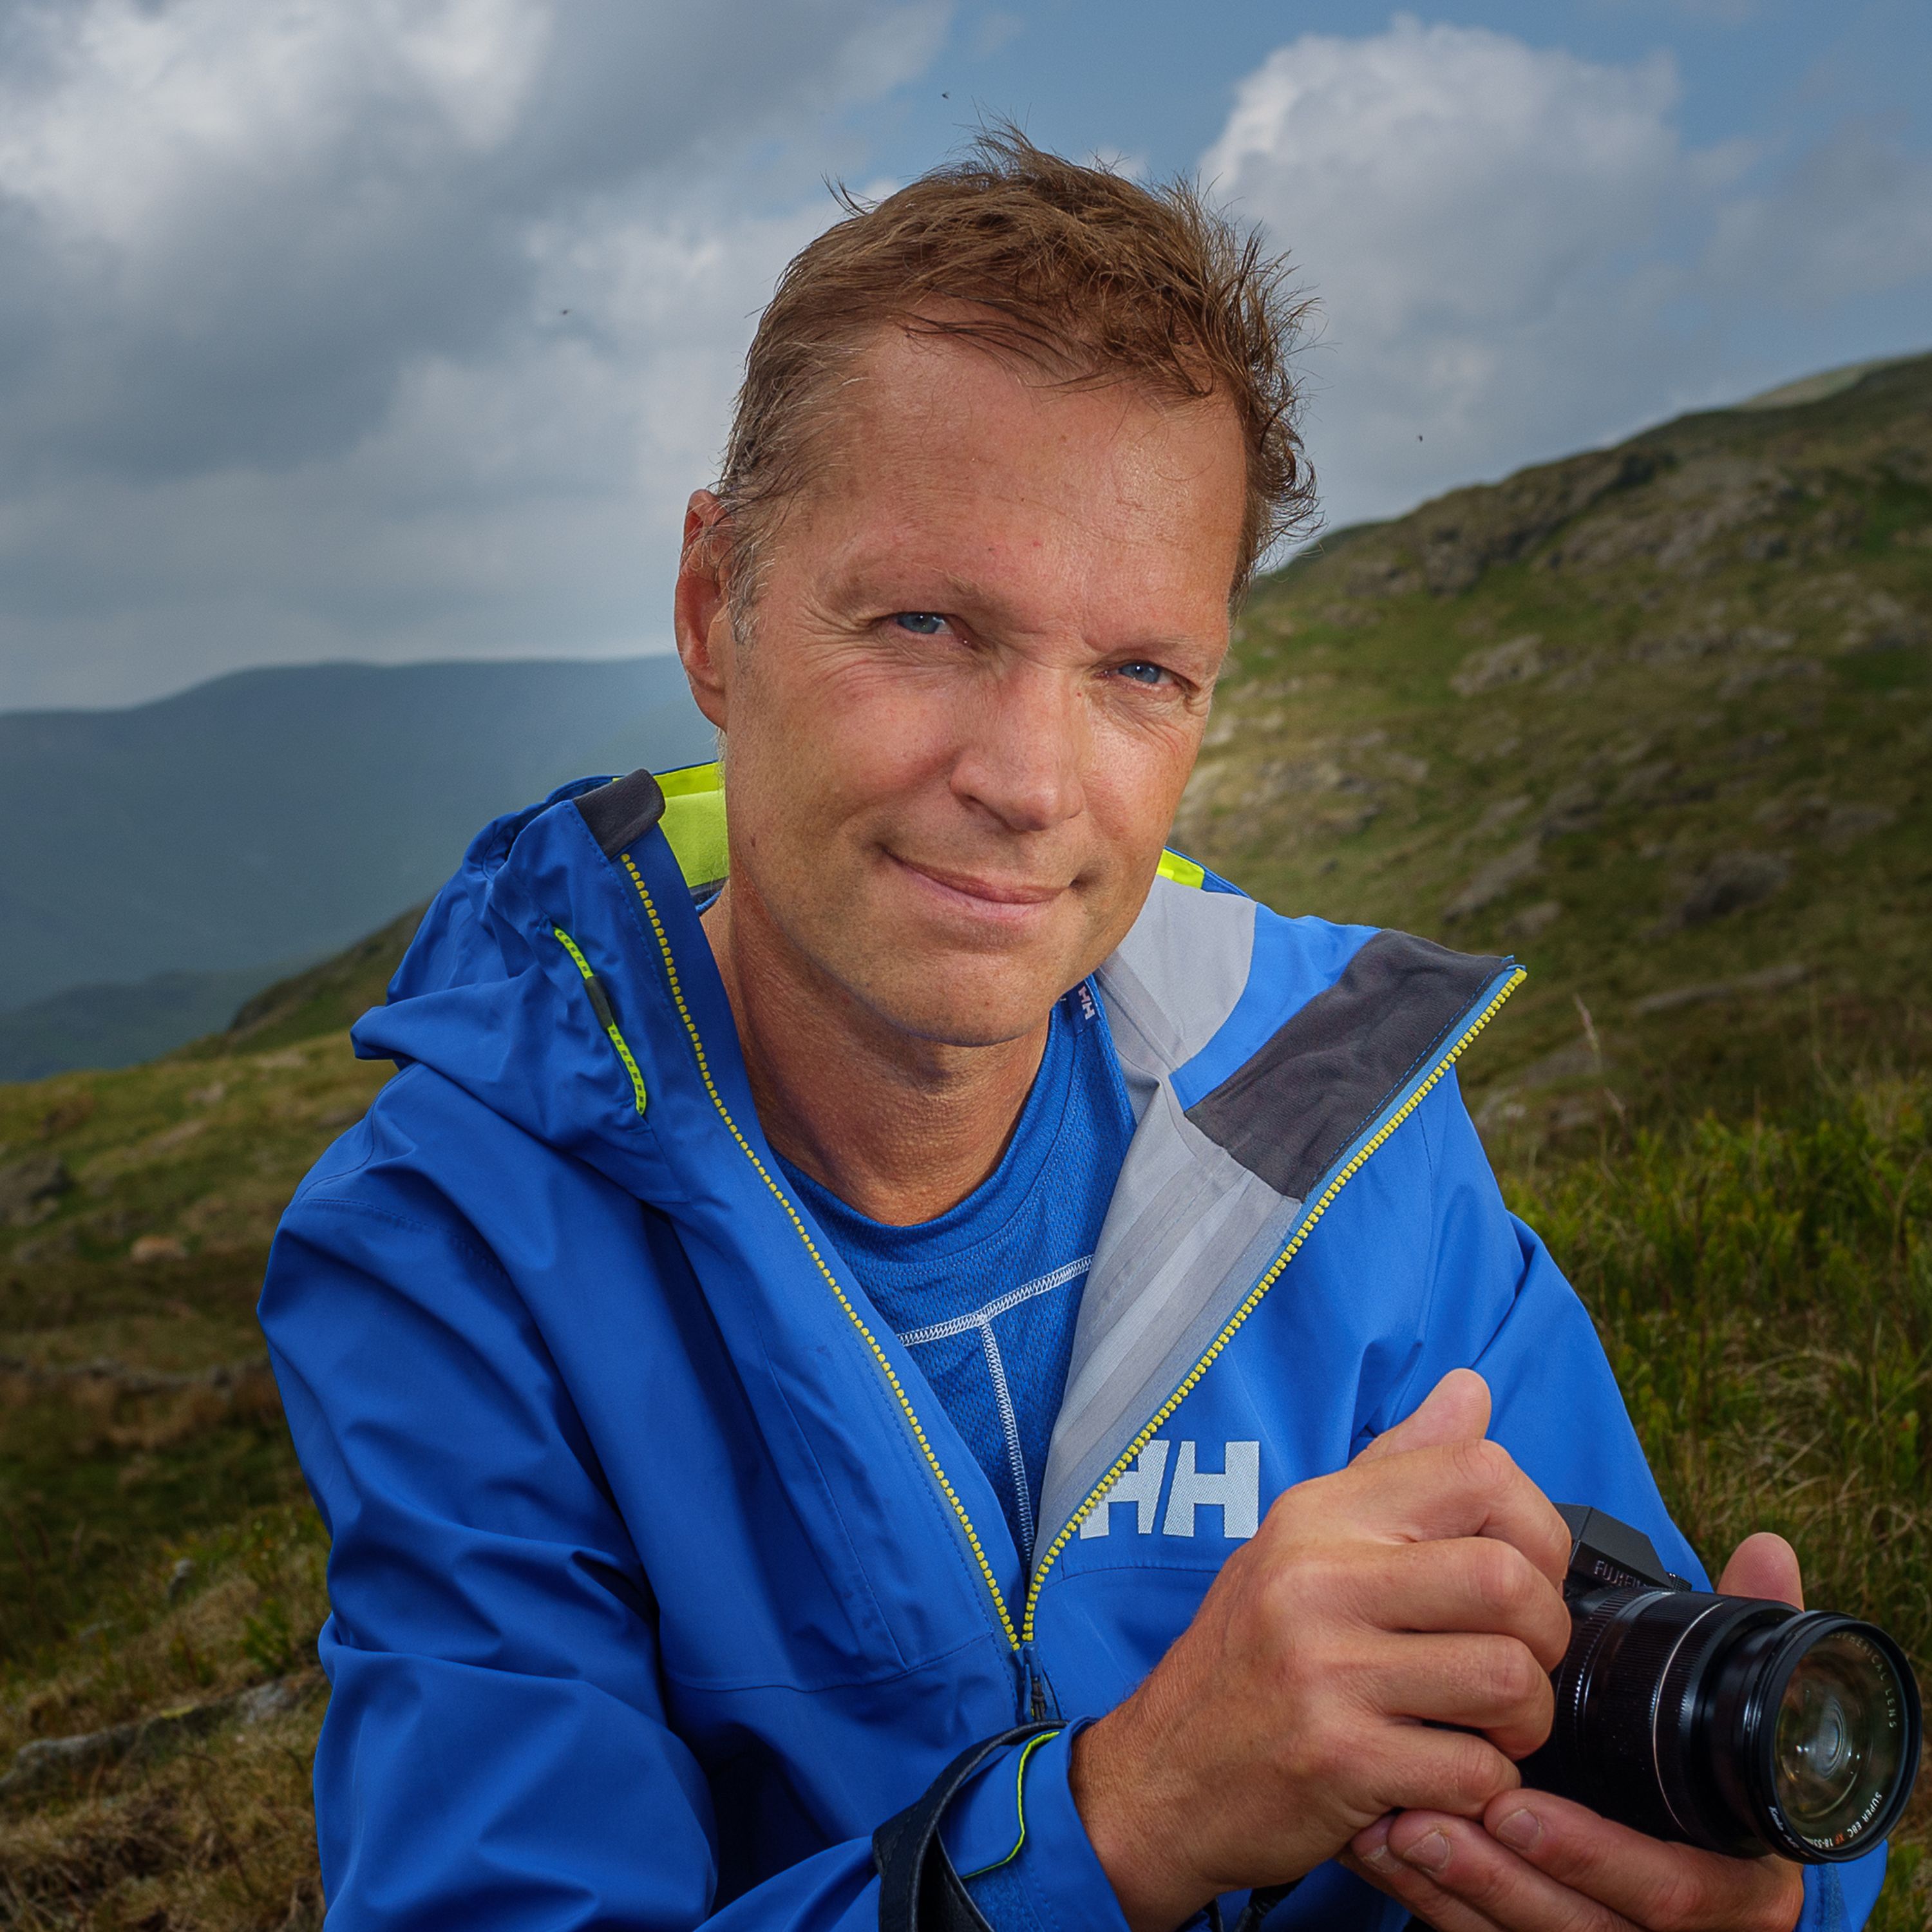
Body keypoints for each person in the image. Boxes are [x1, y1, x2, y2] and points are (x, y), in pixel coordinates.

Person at [258, 132, 1880, 1932]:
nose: (1031, 782)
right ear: (717, 611)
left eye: (1138, 674)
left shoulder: (1337, 1115)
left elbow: (1692, 1756)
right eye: (927, 624)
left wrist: (1756, 1897)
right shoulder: (462, 1239)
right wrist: (1128, 1819)